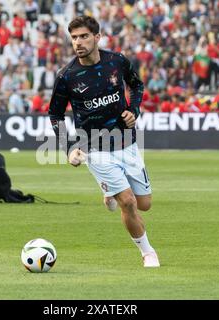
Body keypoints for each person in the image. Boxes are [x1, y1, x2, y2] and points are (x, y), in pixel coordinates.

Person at [48, 16, 159, 268]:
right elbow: (55, 114)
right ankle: (148, 252)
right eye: (74, 37)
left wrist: (135, 110)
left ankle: (107, 192)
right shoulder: (67, 76)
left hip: (127, 143)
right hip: (94, 149)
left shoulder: (117, 61)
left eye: (84, 36)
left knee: (145, 204)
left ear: (97, 37)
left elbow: (137, 85)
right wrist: (69, 148)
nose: (78, 42)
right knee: (129, 203)